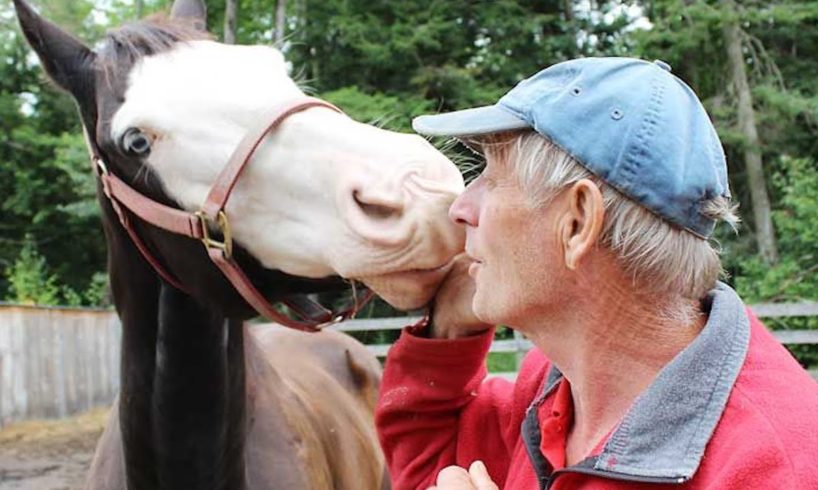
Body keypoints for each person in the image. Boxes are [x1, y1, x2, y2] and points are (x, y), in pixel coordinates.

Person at [375, 57, 818, 490]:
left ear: (578, 220)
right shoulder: (555, 389)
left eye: (492, 178)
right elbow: (432, 463)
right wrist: (449, 331)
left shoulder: (779, 467)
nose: (460, 208)